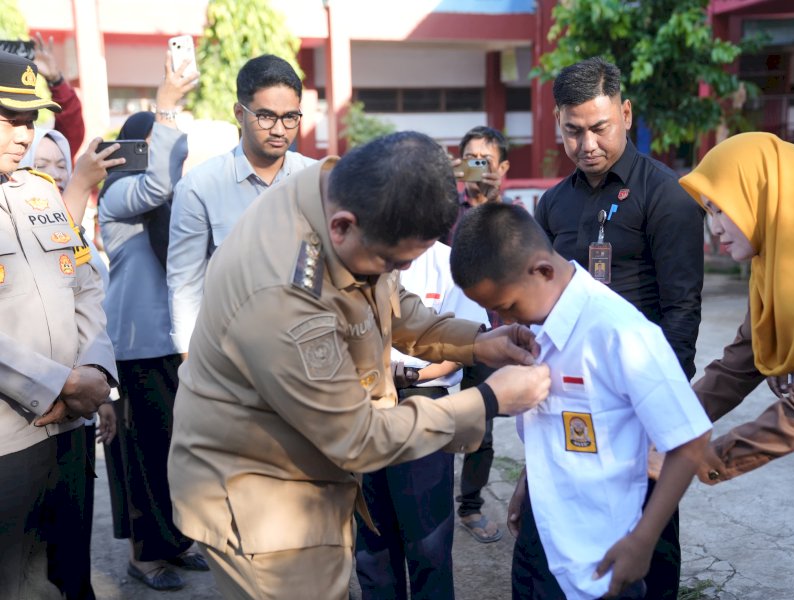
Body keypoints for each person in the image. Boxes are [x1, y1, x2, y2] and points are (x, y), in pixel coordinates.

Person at [167, 131, 552, 599]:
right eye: (392, 261)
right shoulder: (286, 298)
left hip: (305, 466)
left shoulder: (336, 189)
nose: (400, 272)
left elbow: (392, 305)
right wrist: (488, 399)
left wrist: (477, 342)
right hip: (258, 492)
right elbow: (357, 437)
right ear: (343, 227)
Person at [449, 202, 712, 600]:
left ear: (542, 271)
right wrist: (526, 482)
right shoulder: (537, 332)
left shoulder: (620, 333)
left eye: (508, 306)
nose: (503, 322)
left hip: (604, 553)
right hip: (543, 540)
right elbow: (553, 423)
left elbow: (690, 441)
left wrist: (643, 541)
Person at [533, 56, 705, 599]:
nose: (587, 144)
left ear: (625, 114)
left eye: (599, 128)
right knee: (575, 521)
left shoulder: (665, 197)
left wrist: (662, 421)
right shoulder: (553, 204)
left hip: (641, 399)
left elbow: (682, 311)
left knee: (651, 541)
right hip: (575, 400)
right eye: (573, 130)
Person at [0, 51, 115, 599]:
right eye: (7, 118)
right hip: (7, 440)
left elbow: (86, 285)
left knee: (70, 578)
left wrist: (92, 371)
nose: (23, 135)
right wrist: (60, 383)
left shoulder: (42, 193)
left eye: (29, 120)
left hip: (70, 430)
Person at [98, 51, 203, 592]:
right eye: (162, 151)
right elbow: (156, 186)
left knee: (177, 451)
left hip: (174, 344)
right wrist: (166, 107)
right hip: (135, 349)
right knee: (142, 457)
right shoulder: (119, 197)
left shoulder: (170, 205)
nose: (171, 165)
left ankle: (178, 542)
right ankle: (146, 555)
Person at [355, 240, 489, 599]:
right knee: (372, 537)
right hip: (365, 403)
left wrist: (410, 376)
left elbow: (458, 346)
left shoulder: (448, 262)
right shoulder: (364, 259)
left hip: (424, 399)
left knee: (427, 538)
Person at [20, 126, 121, 600]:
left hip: (75, 422)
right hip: (22, 426)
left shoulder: (69, 226)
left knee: (72, 563)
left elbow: (89, 299)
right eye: (42, 167)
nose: (54, 175)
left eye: (61, 165)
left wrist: (98, 384)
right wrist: (63, 384)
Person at [167, 53, 316, 356]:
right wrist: (190, 362)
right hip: (234, 359)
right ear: (239, 112)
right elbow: (185, 285)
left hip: (310, 353)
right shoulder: (200, 187)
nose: (279, 129)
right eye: (266, 116)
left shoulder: (318, 180)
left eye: (290, 117)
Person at [678, 132, 794, 484]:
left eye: (721, 209)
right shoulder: (771, 269)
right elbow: (740, 364)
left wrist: (708, 457)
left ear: (759, 195)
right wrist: (666, 423)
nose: (714, 228)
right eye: (708, 212)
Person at [444, 126, 511, 544]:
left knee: (480, 424)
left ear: (503, 167)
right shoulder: (444, 211)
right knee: (429, 415)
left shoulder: (513, 217)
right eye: (471, 158)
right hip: (439, 331)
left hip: (488, 334)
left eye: (486, 160)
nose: (479, 168)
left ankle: (470, 505)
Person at [33, 31, 85, 161]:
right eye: (11, 121)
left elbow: (71, 131)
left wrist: (56, 80)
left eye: (61, 166)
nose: (55, 174)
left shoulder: (44, 144)